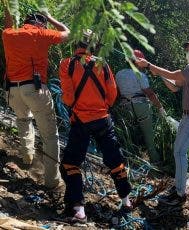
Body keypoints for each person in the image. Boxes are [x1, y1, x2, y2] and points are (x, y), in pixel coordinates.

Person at [58, 32, 132, 223]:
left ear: (76, 44)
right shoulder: (103, 64)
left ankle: (79, 210)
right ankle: (126, 201)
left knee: (71, 164)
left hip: (81, 121)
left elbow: (67, 98)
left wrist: (80, 105)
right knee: (115, 160)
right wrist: (100, 106)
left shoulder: (67, 64)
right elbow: (112, 94)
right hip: (103, 119)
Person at [135, 37, 189, 205]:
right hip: (187, 116)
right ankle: (179, 187)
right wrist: (159, 74)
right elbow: (175, 86)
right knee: (178, 150)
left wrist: (150, 66)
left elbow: (173, 75)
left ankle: (180, 194)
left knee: (180, 152)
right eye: (188, 49)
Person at [2, 7, 70, 190]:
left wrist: (9, 7)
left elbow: (8, 24)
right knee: (50, 137)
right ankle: (53, 181)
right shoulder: (41, 33)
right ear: (41, 23)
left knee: (23, 120)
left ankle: (27, 157)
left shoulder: (9, 34)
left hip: (12, 90)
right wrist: (51, 17)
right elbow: (67, 33)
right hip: (35, 89)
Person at [115, 49, 166, 163]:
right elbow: (150, 94)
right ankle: (155, 160)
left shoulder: (119, 74)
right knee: (149, 135)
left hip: (125, 107)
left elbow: (117, 92)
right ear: (138, 62)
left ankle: (131, 159)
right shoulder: (140, 75)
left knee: (129, 135)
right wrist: (160, 108)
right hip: (141, 107)